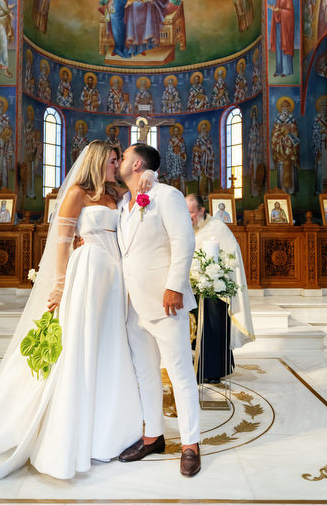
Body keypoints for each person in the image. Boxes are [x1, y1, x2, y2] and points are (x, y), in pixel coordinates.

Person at [0, 141, 154, 480]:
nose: (117, 165)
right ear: (99, 161)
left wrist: (147, 182)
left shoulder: (117, 195)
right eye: (113, 160)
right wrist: (58, 284)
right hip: (86, 276)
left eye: (119, 160)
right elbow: (61, 241)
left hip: (116, 281)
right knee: (82, 347)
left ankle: (111, 428)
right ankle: (75, 429)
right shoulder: (77, 193)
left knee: (111, 347)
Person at [117, 144, 201, 477]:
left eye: (123, 157)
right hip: (132, 304)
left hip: (166, 302)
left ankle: (191, 444)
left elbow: (184, 240)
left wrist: (175, 285)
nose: (119, 161)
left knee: (180, 374)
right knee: (146, 374)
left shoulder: (166, 195)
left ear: (137, 164)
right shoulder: (124, 202)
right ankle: (153, 435)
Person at [185, 194, 254, 381]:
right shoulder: (186, 227)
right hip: (191, 290)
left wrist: (213, 277)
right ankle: (197, 364)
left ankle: (214, 370)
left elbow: (232, 260)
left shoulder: (218, 229)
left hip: (214, 293)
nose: (188, 216)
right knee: (193, 330)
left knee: (213, 329)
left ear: (201, 211)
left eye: (191, 212)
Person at [269, 0, 294, 77]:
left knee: (285, 46)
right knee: (279, 47)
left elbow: (290, 12)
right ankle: (279, 70)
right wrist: (274, 9)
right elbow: (277, 12)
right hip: (279, 25)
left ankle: (286, 71)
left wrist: (279, 10)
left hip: (286, 27)